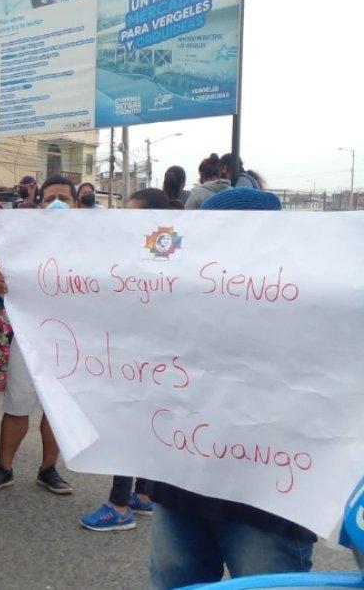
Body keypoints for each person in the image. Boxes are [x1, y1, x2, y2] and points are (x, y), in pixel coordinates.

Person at [148, 187, 315, 588]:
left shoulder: (314, 297)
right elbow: (98, 312)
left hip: (270, 499)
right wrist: (25, 287)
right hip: (181, 485)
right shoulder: (177, 289)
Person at [0, 175, 74, 496]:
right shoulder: (22, 242)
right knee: (17, 403)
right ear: (39, 204)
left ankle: (48, 469)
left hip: (70, 342)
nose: (57, 203)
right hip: (30, 337)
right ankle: (4, 468)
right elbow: (0, 280)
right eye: (49, 199)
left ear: (75, 204)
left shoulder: (89, 245)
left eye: (64, 198)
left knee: (57, 409)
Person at [77, 188, 164, 533]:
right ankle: (143, 493)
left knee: (128, 423)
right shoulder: (161, 249)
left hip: (142, 355)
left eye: (133, 214)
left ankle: (119, 505)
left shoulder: (155, 253)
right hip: (148, 354)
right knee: (142, 423)